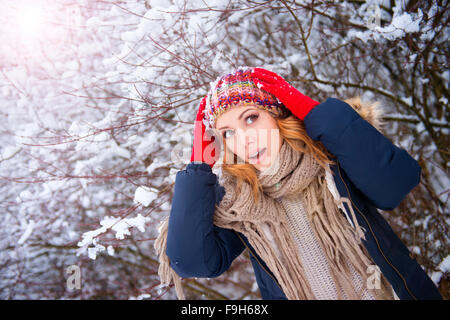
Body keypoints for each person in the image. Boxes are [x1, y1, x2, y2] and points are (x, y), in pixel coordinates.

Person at [154, 67, 442, 300]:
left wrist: (312, 111)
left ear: (278, 114)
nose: (244, 139)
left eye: (251, 118)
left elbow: (395, 184)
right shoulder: (237, 202)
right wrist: (198, 167)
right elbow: (192, 262)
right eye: (227, 133)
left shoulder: (331, 159)